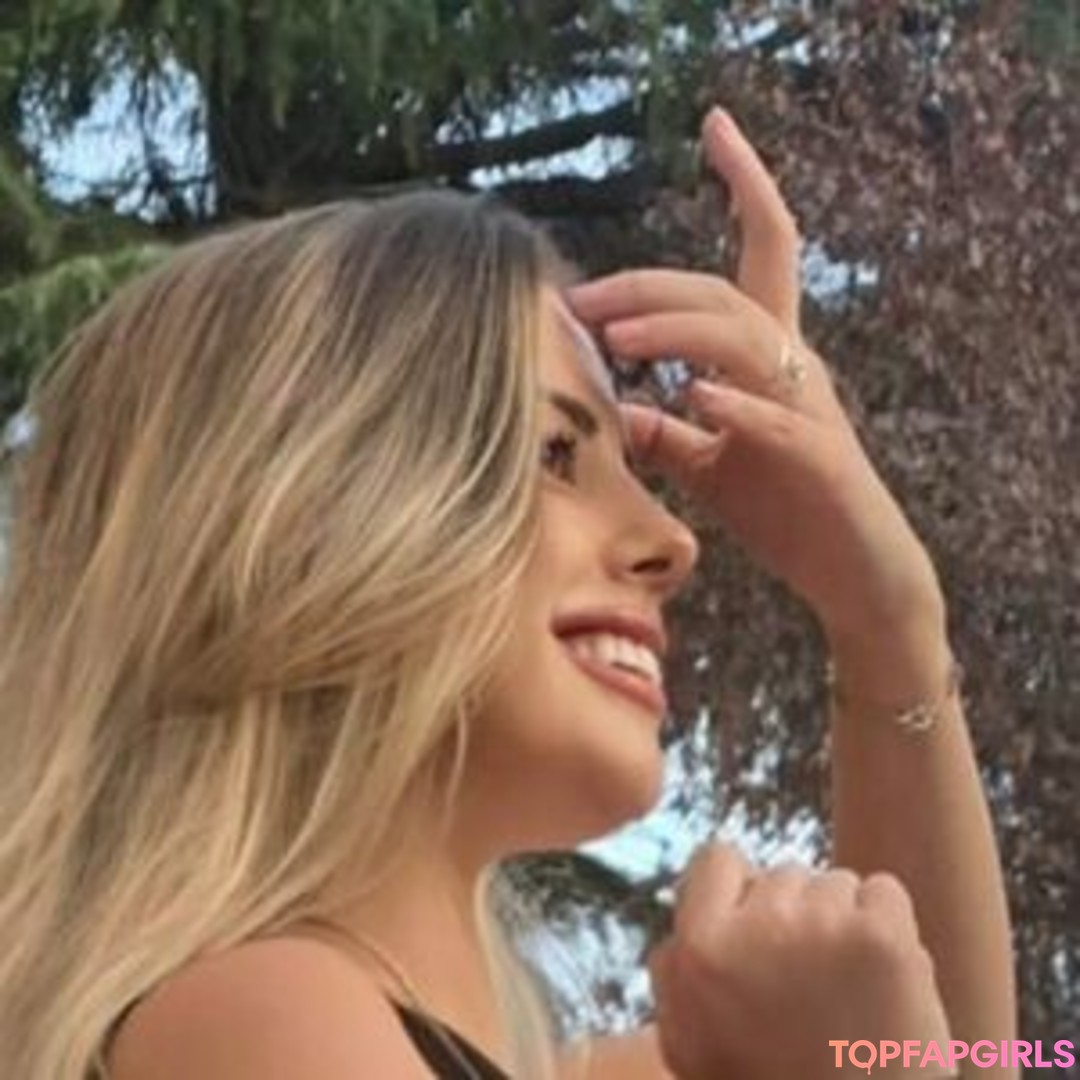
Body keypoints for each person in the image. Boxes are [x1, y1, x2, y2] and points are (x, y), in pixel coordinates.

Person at [0, 106, 1016, 1079]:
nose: (672, 540)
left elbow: (958, 1055)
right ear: (297, 514)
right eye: (555, 453)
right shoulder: (258, 1019)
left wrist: (885, 616)